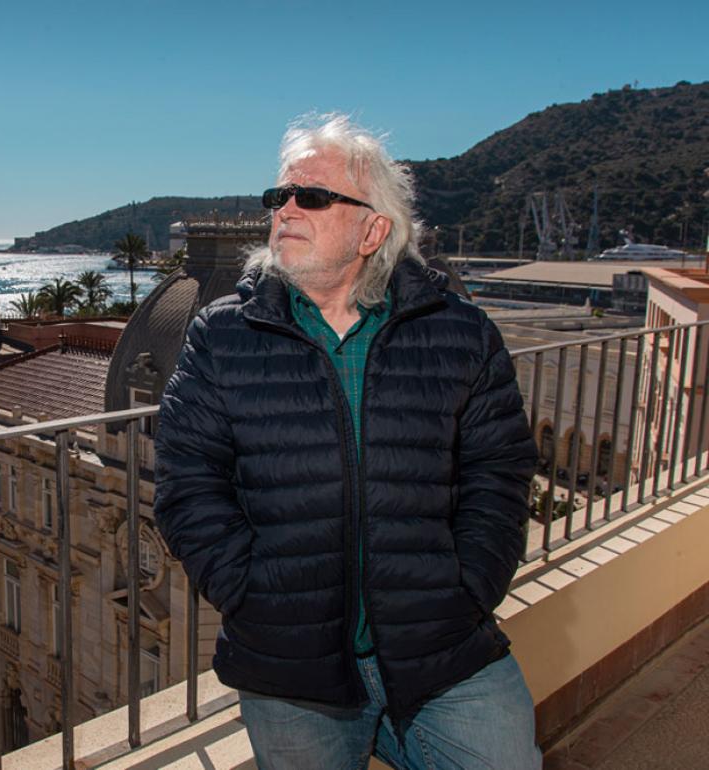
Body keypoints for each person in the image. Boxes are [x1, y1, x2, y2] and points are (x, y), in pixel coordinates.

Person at [154, 114, 540, 769]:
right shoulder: (221, 337)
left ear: (373, 229)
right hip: (292, 666)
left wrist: (470, 587)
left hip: (443, 645)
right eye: (279, 196)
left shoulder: (462, 333)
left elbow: (498, 473)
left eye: (313, 196)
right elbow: (189, 482)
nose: (286, 209)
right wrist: (249, 593)